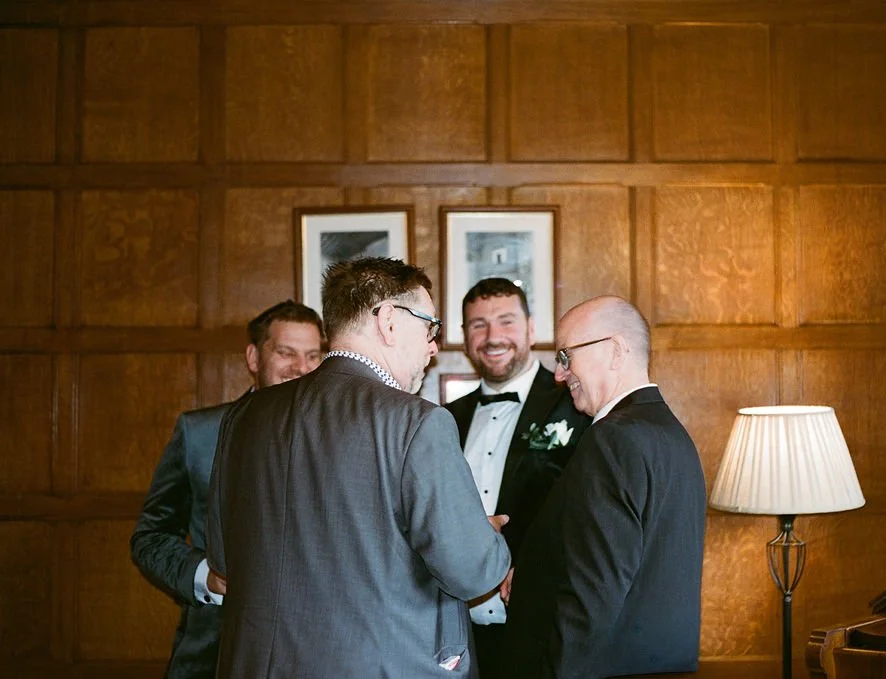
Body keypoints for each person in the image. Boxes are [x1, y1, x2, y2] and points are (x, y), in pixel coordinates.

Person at [205, 257, 511, 679]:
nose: (433, 347)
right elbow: (473, 571)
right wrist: (483, 535)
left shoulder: (244, 416)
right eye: (430, 327)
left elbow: (223, 557)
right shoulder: (417, 422)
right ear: (388, 320)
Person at [501, 296, 706, 679]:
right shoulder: (672, 435)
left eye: (566, 357)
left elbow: (593, 592)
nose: (559, 375)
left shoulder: (613, 439)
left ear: (614, 351)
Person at [130, 300, 326, 679]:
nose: (301, 368)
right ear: (253, 357)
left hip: (316, 653)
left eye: (313, 356)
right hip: (215, 651)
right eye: (286, 353)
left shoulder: (344, 437)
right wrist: (207, 576)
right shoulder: (199, 433)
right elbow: (149, 537)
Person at [444, 278, 590, 679]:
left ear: (530, 328)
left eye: (506, 321)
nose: (493, 337)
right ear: (464, 336)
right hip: (457, 634)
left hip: (541, 626)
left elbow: (588, 513)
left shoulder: (576, 405)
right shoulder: (443, 419)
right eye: (478, 325)